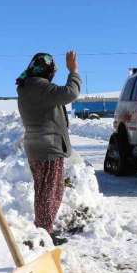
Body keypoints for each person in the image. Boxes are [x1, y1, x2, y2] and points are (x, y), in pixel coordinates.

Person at [17, 51, 81, 245]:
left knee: (48, 188)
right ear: (46, 70)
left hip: (36, 145)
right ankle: (44, 232)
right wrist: (73, 71)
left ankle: (44, 228)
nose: (53, 73)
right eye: (52, 69)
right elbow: (71, 93)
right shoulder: (40, 87)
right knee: (49, 191)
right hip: (48, 146)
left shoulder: (28, 87)